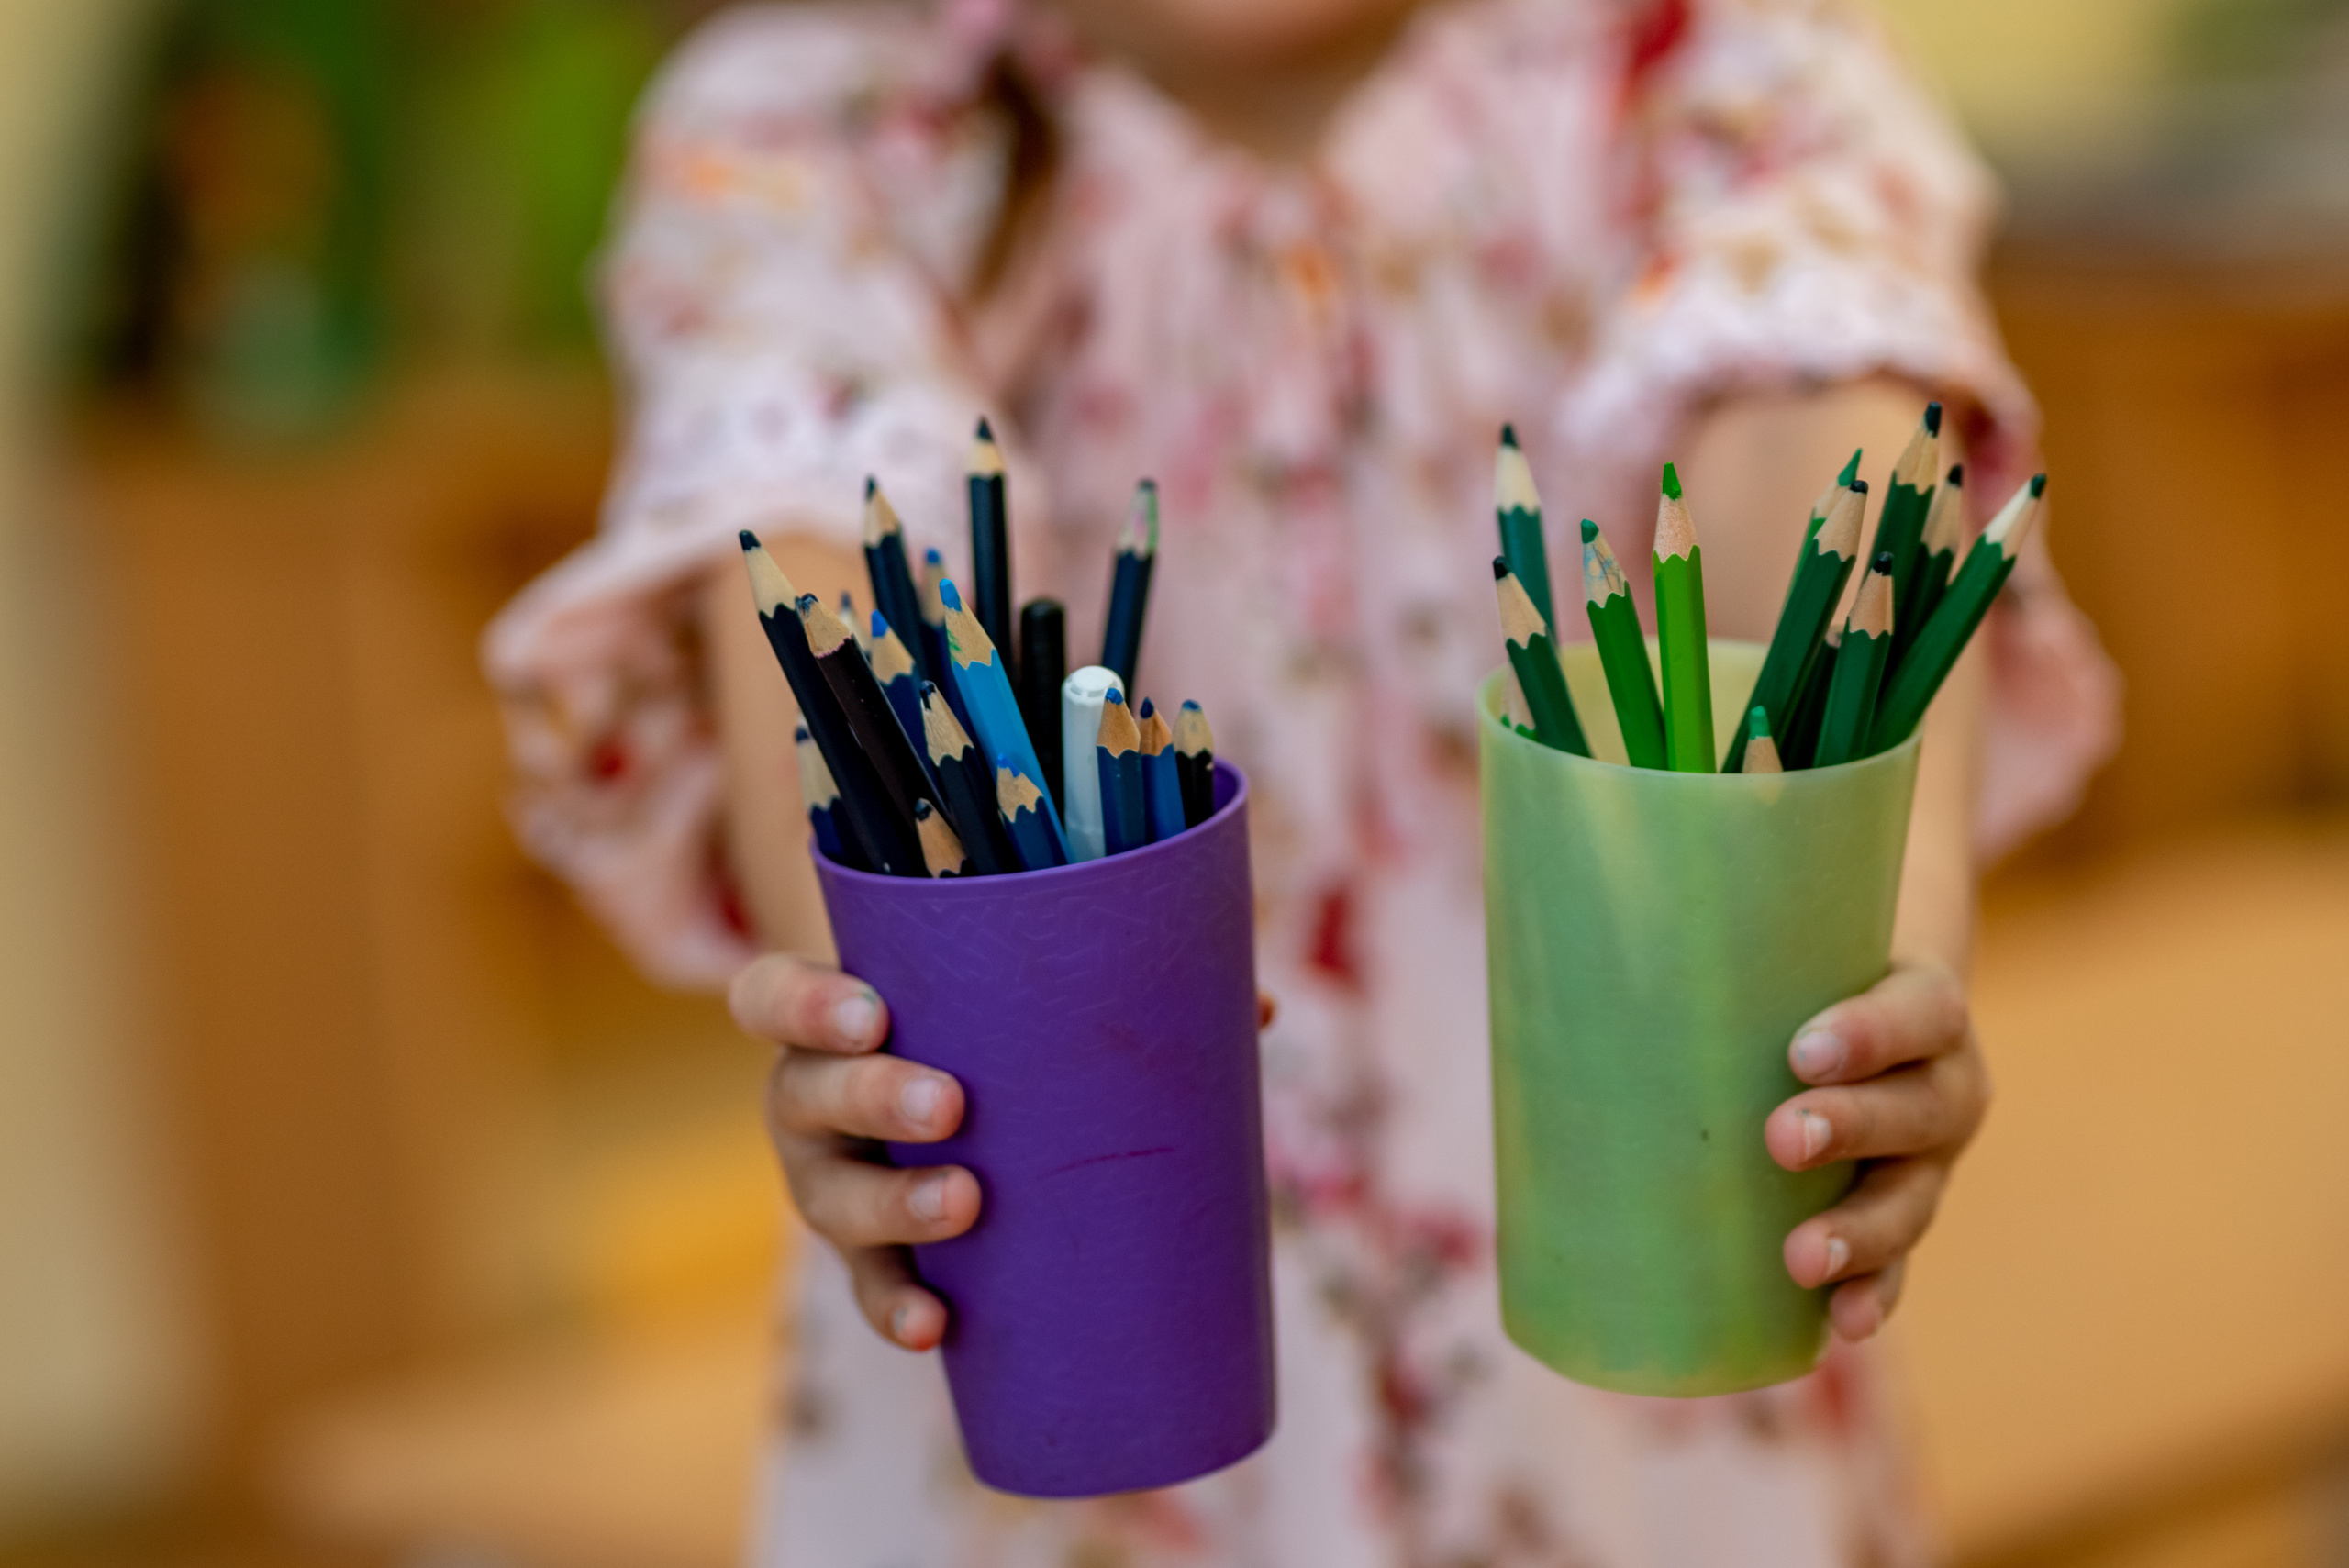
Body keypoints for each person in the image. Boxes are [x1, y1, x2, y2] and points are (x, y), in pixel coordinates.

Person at [484, 0, 2120, 1561]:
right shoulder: (810, 134)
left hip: (1656, 1436)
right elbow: (825, 622)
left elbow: (1823, 474)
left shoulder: (1715, 67)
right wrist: (871, 1011)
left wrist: (1883, 949)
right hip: (1051, 1432)